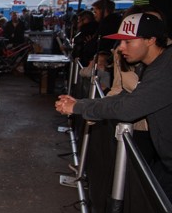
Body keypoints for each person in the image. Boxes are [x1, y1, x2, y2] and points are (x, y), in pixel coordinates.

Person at [55, 11, 172, 198]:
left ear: (150, 40)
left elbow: (128, 109)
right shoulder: (154, 65)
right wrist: (82, 103)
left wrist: (78, 107)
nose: (120, 47)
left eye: (128, 41)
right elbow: (127, 96)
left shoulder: (165, 69)